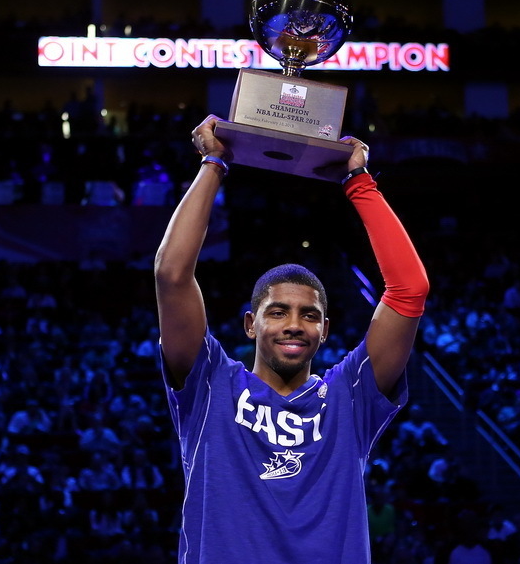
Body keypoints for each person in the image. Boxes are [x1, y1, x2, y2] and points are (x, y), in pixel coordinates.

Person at [154, 114, 429, 564]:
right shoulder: (210, 385)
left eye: (309, 315)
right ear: (250, 324)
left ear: (325, 329)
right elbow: (171, 273)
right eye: (277, 312)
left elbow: (409, 289)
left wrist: (358, 180)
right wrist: (213, 164)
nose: (294, 324)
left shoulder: (349, 397)